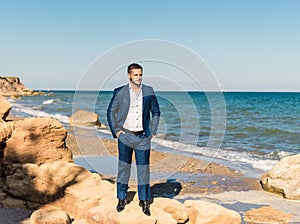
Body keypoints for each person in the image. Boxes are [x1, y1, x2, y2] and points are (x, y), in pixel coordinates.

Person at [107, 63, 160, 216]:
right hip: (125, 136)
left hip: (143, 137)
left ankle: (144, 201)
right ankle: (122, 198)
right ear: (129, 75)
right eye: (136, 74)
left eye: (141, 74)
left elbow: (156, 111)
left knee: (143, 170)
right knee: (124, 168)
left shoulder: (149, 91)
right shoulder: (120, 91)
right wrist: (117, 132)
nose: (139, 77)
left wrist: (152, 131)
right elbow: (111, 111)